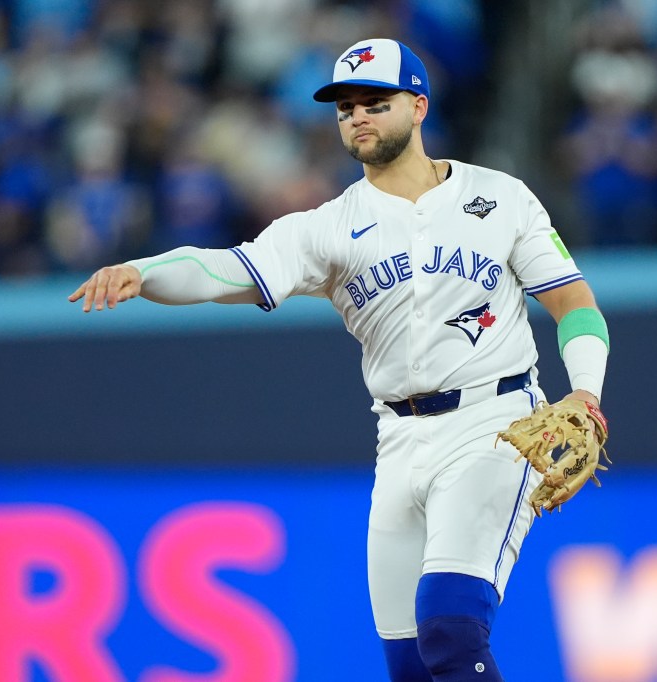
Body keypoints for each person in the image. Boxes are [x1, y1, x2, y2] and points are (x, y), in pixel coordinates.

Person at [69, 38, 610, 682]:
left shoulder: (501, 197)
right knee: (409, 665)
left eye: (374, 102)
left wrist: (585, 392)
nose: (357, 116)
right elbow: (222, 271)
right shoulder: (325, 227)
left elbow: (575, 303)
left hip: (495, 424)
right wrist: (143, 270)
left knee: (450, 628)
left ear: (418, 106)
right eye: (345, 105)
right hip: (399, 440)